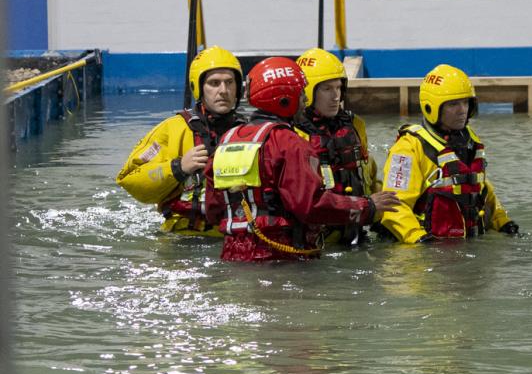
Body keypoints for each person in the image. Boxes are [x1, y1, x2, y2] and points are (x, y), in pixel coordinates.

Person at [205, 57, 400, 262]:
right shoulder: (290, 143)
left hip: (233, 254)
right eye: (300, 95)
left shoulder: (228, 139)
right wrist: (367, 207)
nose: (304, 101)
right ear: (284, 99)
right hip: (281, 255)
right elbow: (311, 206)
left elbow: (213, 210)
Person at [378, 64, 518, 244]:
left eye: (466, 102)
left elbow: (481, 188)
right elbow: (394, 207)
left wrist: (502, 221)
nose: (462, 110)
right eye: (453, 104)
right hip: (425, 250)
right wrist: (419, 240)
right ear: (432, 107)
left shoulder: (470, 140)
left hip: (468, 246)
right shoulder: (408, 147)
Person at [116, 46, 248, 236]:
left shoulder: (250, 133)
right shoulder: (173, 129)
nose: (223, 90)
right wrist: (178, 167)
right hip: (183, 237)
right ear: (199, 87)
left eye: (229, 82)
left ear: (238, 88)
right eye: (214, 83)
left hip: (236, 236)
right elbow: (130, 179)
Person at [294, 48, 379, 246]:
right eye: (327, 89)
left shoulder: (355, 126)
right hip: (315, 242)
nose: (335, 96)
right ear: (308, 91)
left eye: (339, 88)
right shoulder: (293, 136)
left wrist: (379, 213)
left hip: (356, 232)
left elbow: (368, 174)